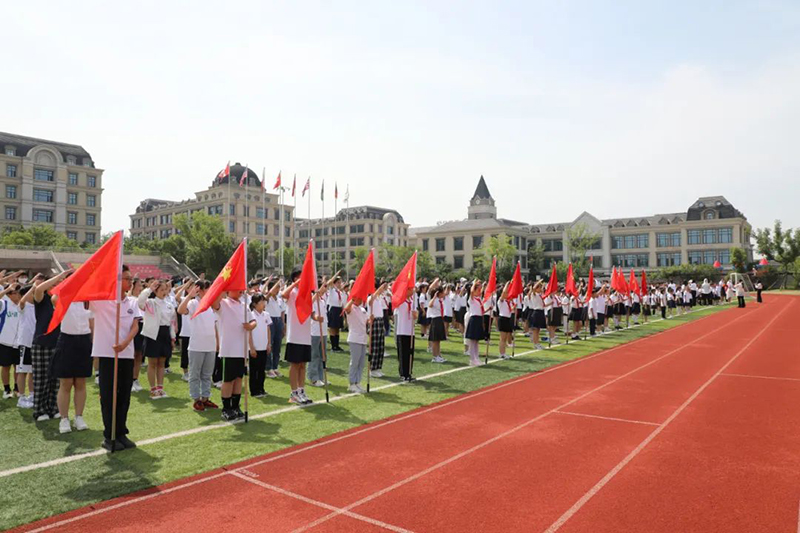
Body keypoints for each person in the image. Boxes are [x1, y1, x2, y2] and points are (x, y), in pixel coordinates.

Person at [91, 265, 139, 451]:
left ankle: (121, 432)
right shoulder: (102, 300)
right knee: (109, 396)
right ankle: (109, 435)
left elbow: (135, 326)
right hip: (107, 354)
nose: (130, 282)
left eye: (130, 279)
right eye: (126, 278)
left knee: (124, 395)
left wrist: (125, 343)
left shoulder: (132, 302)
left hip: (126, 354)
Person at [30, 270, 71, 421]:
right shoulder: (42, 299)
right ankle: (40, 410)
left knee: (55, 380)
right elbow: (38, 289)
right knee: (41, 379)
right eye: (53, 284)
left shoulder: (61, 300)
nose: (56, 286)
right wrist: (59, 276)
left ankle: (53, 408)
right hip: (41, 343)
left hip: (58, 343)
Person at [212, 290, 256, 421]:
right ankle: (226, 408)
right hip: (229, 349)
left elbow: (253, 320)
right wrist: (222, 289)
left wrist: (251, 326)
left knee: (238, 379)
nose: (240, 291)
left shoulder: (244, 305)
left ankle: (236, 406)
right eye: (236, 289)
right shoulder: (224, 303)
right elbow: (214, 304)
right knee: (228, 380)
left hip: (242, 349)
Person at [177, 280, 219, 412]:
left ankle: (205, 398)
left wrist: (217, 342)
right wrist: (190, 295)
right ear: (199, 290)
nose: (209, 291)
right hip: (196, 345)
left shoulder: (211, 305)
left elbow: (214, 325)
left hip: (210, 345)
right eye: (207, 288)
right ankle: (196, 399)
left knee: (207, 374)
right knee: (195, 374)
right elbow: (180, 310)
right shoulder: (193, 303)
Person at [52, 301, 93, 433]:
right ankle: (64, 418)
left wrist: (93, 343)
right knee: (66, 382)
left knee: (81, 382)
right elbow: (54, 298)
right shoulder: (65, 299)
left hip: (84, 340)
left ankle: (79, 417)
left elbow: (92, 323)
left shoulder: (88, 301)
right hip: (67, 340)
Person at [137, 280, 176, 399]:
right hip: (153, 335)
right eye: (161, 290)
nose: (164, 292)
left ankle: (160, 388)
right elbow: (140, 301)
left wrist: (172, 338)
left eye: (165, 289)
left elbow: (171, 323)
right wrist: (149, 289)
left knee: (161, 363)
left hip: (165, 334)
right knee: (152, 363)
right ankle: (153, 389)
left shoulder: (169, 305)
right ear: (156, 291)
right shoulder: (150, 303)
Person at [281, 270, 314, 405]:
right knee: (295, 364)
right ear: (295, 278)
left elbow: (311, 312)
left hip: (305, 335)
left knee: (302, 365)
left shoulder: (307, 294)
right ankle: (294, 392)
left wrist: (317, 317)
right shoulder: (292, 292)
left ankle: (301, 390)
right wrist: (296, 283)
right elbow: (283, 294)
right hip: (294, 335)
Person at [14, 284, 36, 408]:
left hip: (35, 343)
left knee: (32, 371)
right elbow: (22, 301)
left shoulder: (38, 306)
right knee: (22, 371)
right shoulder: (23, 305)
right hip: (24, 342)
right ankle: (21, 397)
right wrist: (33, 288)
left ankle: (32, 395)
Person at [0, 282, 23, 399]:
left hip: (19, 342)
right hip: (5, 340)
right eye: (14, 293)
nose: (17, 295)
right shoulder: (4, 304)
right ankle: (6, 389)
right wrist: (7, 288)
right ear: (8, 295)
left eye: (18, 292)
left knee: (18, 367)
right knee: (6, 366)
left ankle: (17, 389)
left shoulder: (23, 305)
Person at [344, 292, 369, 393]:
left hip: (363, 338)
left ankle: (357, 382)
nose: (361, 299)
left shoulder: (362, 309)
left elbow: (367, 321)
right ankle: (352, 383)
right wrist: (352, 299)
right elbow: (346, 309)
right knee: (354, 362)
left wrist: (371, 319)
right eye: (359, 298)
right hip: (354, 338)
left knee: (361, 363)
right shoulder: (351, 307)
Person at [248, 293, 272, 398]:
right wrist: (251, 347)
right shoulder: (251, 315)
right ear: (255, 304)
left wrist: (269, 343)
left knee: (262, 370)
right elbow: (249, 332)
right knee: (254, 370)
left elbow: (268, 329)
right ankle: (254, 390)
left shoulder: (266, 314)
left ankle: (261, 388)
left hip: (264, 346)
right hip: (255, 347)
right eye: (261, 301)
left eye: (264, 301)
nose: (263, 303)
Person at [394, 284, 418, 381]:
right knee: (403, 353)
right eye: (410, 289)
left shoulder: (412, 302)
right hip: (402, 330)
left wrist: (415, 315)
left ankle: (409, 372)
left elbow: (415, 316)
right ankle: (403, 373)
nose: (412, 291)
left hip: (410, 331)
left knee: (410, 353)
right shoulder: (401, 301)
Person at [264, 279, 284, 379]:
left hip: (278, 320)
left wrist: (283, 325)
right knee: (270, 344)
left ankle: (275, 367)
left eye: (279, 287)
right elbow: (267, 296)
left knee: (277, 344)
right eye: (276, 287)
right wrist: (273, 285)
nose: (278, 289)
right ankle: (269, 368)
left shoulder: (279, 299)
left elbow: (282, 312)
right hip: (270, 321)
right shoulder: (267, 298)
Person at [368, 282, 389, 377]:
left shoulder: (379, 299)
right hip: (374, 321)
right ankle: (372, 368)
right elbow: (370, 302)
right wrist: (378, 290)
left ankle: (378, 367)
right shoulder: (371, 298)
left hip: (380, 321)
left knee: (380, 346)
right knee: (375, 346)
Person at [465, 279, 486, 364]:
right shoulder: (471, 299)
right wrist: (474, 283)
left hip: (479, 319)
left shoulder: (479, 299)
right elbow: (471, 291)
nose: (480, 291)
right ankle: (472, 359)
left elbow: (480, 310)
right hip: (474, 319)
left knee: (477, 341)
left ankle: (476, 358)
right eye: (478, 289)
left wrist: (483, 285)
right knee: (473, 341)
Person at [426, 280, 447, 364]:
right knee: (435, 340)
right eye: (442, 292)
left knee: (438, 340)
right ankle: (435, 357)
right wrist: (434, 297)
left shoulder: (440, 300)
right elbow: (430, 305)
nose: (444, 293)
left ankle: (438, 355)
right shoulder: (434, 299)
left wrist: (439, 284)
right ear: (439, 293)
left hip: (440, 319)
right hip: (435, 320)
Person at [326, 276, 346, 352]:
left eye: (340, 282)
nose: (340, 284)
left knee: (337, 329)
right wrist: (335, 275)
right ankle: (333, 346)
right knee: (333, 328)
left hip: (339, 309)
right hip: (333, 309)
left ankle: (337, 345)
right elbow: (329, 283)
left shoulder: (340, 292)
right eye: (338, 282)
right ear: (334, 283)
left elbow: (342, 303)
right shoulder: (332, 290)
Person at [496, 283, 514, 359]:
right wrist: (507, 284)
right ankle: (501, 353)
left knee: (505, 338)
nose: (507, 294)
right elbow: (503, 292)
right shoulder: (501, 301)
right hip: (503, 319)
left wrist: (513, 308)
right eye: (507, 293)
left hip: (507, 319)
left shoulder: (507, 302)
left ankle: (504, 353)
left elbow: (509, 311)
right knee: (502, 338)